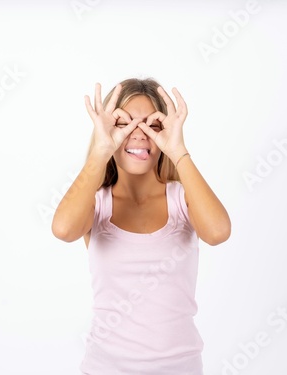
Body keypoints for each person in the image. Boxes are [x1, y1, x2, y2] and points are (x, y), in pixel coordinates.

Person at [52, 78, 231, 374]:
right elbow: (63, 229)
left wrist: (178, 152)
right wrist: (101, 149)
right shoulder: (96, 203)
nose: (139, 135)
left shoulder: (181, 199)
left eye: (152, 125)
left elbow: (218, 232)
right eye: (125, 125)